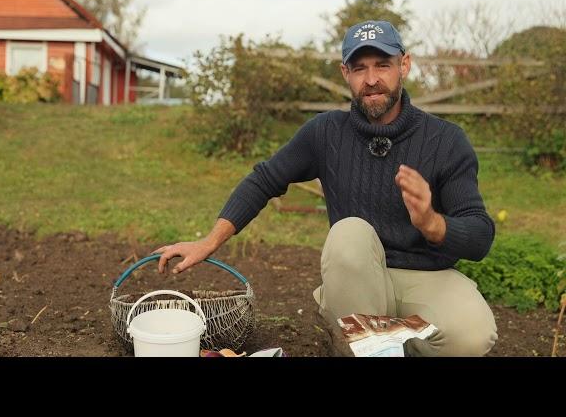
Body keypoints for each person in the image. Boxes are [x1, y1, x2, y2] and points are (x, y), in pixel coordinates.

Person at [153, 20, 498, 357]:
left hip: (425, 277)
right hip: (356, 279)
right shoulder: (326, 132)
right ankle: (372, 340)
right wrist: (208, 241)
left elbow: (480, 236)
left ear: (404, 65)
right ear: (345, 73)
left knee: (470, 338)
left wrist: (432, 224)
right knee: (349, 232)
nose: (372, 79)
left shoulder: (445, 140)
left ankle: (370, 339)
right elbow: (264, 179)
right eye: (359, 68)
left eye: (383, 65)